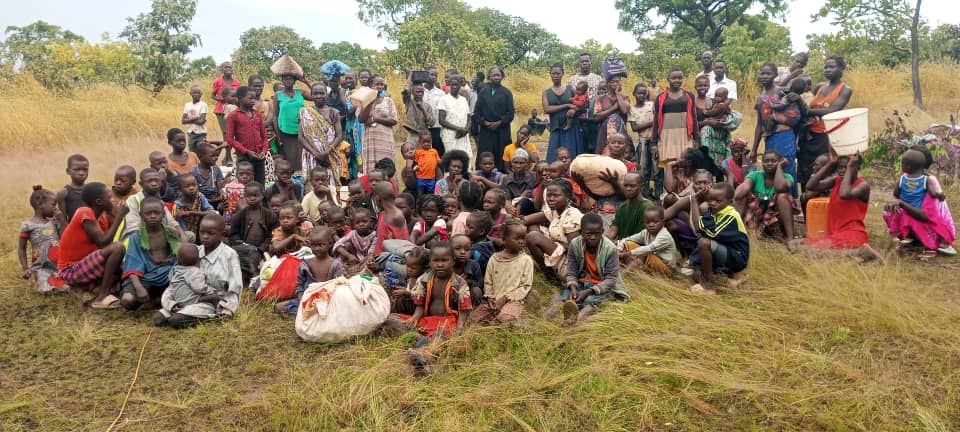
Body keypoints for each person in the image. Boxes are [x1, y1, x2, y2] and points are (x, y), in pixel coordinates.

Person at [155, 214, 242, 329]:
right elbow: (176, 279)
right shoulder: (193, 252)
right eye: (202, 232)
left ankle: (203, 315)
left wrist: (227, 309)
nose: (205, 236)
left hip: (211, 302)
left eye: (210, 233)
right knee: (158, 318)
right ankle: (180, 310)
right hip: (185, 297)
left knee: (176, 321)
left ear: (222, 234)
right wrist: (171, 303)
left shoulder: (229, 255)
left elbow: (235, 287)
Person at [791, 153, 883, 262]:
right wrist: (830, 164)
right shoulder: (837, 180)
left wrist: (850, 168)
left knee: (811, 252)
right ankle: (857, 254)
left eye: (846, 167)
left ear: (857, 167)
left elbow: (844, 194)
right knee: (793, 244)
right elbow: (810, 186)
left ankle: (859, 253)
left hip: (853, 234)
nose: (842, 170)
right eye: (840, 167)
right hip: (835, 234)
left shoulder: (863, 186)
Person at [57, 182, 128, 309]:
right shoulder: (84, 212)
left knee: (123, 263)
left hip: (84, 266)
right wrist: (119, 216)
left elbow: (104, 249)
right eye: (110, 197)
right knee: (118, 248)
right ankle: (101, 297)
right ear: (99, 201)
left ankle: (91, 289)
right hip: (71, 270)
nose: (113, 200)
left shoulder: (101, 219)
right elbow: (103, 242)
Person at [556, 213, 630, 324]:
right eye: (588, 234)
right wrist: (573, 288)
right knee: (564, 296)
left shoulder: (610, 249)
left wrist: (589, 291)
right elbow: (572, 271)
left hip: (603, 286)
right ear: (581, 233)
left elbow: (611, 279)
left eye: (597, 234)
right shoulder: (575, 244)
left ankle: (575, 321)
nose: (593, 237)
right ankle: (552, 315)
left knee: (590, 301)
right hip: (583, 281)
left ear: (602, 232)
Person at [883, 148, 957, 257]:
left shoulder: (929, 181)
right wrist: (892, 205)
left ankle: (931, 242)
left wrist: (902, 204)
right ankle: (911, 238)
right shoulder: (905, 178)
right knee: (890, 212)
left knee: (905, 216)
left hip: (932, 224)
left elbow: (925, 216)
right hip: (914, 212)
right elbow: (897, 195)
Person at [799, 55, 853, 189]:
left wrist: (807, 112)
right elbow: (807, 104)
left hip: (828, 137)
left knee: (824, 170)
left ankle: (822, 204)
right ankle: (807, 204)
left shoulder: (845, 89)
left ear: (841, 69)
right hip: (810, 135)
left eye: (832, 67)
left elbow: (832, 110)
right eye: (826, 67)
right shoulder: (820, 87)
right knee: (806, 171)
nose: (827, 70)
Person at [118, 197, 179, 311]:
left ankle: (158, 298)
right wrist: (139, 287)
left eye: (156, 213)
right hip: (145, 278)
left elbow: (179, 258)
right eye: (148, 213)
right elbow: (132, 264)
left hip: (168, 275)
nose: (152, 216)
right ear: (141, 215)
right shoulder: (136, 237)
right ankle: (156, 297)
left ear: (163, 214)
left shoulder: (171, 233)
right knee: (127, 300)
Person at [689, 183, 749, 294]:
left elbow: (710, 233)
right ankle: (735, 277)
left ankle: (709, 286)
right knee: (696, 274)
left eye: (718, 201)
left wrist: (701, 208)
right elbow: (701, 229)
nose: (712, 203)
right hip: (726, 252)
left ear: (730, 202)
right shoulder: (716, 213)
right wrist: (694, 201)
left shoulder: (731, 216)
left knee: (704, 243)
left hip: (737, 258)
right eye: (710, 200)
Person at [753, 63, 803, 196]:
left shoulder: (784, 92)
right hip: (769, 139)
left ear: (775, 75)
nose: (764, 76)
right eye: (762, 73)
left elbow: (795, 115)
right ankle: (774, 203)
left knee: (786, 167)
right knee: (771, 169)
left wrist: (777, 118)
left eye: (768, 73)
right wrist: (754, 149)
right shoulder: (760, 97)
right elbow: (759, 125)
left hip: (784, 136)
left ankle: (791, 202)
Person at [472, 220, 533, 325]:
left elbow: (525, 285)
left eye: (523, 238)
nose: (521, 241)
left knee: (505, 319)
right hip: (494, 300)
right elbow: (488, 281)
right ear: (504, 239)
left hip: (514, 300)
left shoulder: (526, 260)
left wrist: (505, 298)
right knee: (474, 319)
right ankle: (492, 321)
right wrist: (490, 297)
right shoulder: (494, 259)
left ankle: (503, 320)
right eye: (517, 238)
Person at [524, 179, 583, 283]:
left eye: (556, 196)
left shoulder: (572, 215)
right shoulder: (555, 211)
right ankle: (547, 267)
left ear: (568, 196)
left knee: (533, 236)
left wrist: (554, 243)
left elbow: (574, 250)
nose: (550, 199)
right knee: (532, 226)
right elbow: (526, 220)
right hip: (557, 252)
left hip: (568, 265)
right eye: (549, 195)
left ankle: (549, 274)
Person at [276, 227, 345, 315]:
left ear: (330, 244)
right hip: (308, 300)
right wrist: (302, 299)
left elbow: (338, 287)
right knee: (279, 307)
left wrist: (325, 300)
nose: (316, 248)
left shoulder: (336, 265)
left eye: (320, 245)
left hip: (329, 300)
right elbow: (299, 285)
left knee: (337, 309)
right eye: (313, 245)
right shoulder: (305, 264)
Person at [735, 150, 797, 242]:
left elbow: (780, 188)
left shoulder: (787, 177)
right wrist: (748, 184)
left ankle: (790, 239)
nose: (769, 164)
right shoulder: (755, 175)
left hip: (774, 219)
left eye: (774, 161)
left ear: (780, 161)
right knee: (742, 197)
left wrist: (779, 167)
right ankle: (736, 232)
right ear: (762, 163)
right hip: (755, 217)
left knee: (782, 196)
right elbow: (737, 195)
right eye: (766, 161)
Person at [19, 186, 64, 293]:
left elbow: (63, 238)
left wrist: (61, 221)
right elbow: (21, 249)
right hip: (41, 268)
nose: (56, 208)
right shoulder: (28, 225)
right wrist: (26, 269)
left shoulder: (54, 222)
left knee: (67, 286)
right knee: (46, 289)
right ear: (40, 205)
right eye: (53, 205)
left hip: (59, 266)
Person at [298, 83, 343, 189]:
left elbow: (339, 135)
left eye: (322, 93)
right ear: (311, 95)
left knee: (330, 184)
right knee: (313, 184)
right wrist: (315, 154)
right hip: (311, 155)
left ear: (326, 95)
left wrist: (326, 152)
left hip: (330, 155)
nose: (319, 96)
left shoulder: (333, 112)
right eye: (315, 93)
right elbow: (300, 137)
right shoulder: (304, 112)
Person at [652, 68, 700, 166]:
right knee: (670, 166)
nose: (677, 80)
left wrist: (697, 139)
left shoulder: (689, 96)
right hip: (667, 136)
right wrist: (654, 144)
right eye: (674, 78)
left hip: (685, 136)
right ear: (668, 79)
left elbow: (694, 119)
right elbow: (656, 121)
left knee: (686, 165)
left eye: (680, 78)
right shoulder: (660, 97)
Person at [273, 73, 315, 175]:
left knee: (302, 158)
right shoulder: (278, 95)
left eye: (291, 79)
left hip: (301, 131)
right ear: (282, 80)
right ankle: (291, 181)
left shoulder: (300, 92)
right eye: (286, 79)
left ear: (295, 81)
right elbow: (275, 115)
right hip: (285, 131)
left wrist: (305, 81)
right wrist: (278, 135)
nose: (288, 81)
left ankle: (302, 180)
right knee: (289, 159)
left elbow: (317, 95)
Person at [474, 66, 515, 171]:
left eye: (498, 75)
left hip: (502, 131)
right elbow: (477, 112)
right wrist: (484, 122)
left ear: (502, 76)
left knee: (501, 155)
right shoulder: (483, 92)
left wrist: (499, 122)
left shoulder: (507, 93)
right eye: (494, 75)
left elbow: (510, 113)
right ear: (489, 77)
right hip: (486, 131)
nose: (496, 77)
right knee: (485, 155)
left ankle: (502, 180)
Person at [226, 86, 270, 184]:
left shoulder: (257, 114)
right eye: (250, 98)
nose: (253, 101)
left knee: (260, 182)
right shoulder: (233, 116)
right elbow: (229, 138)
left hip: (259, 155)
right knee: (244, 182)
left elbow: (264, 136)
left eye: (254, 98)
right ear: (240, 98)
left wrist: (264, 150)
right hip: (244, 157)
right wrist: (246, 151)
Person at [618, 205, 678, 274]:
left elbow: (648, 249)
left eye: (655, 222)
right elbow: (626, 239)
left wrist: (626, 254)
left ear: (663, 222)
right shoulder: (645, 233)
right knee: (628, 243)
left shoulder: (665, 236)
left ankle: (625, 273)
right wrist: (618, 250)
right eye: (648, 222)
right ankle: (622, 267)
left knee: (644, 253)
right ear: (644, 223)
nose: (651, 225)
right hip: (653, 260)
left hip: (666, 268)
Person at [543, 63, 585, 162]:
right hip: (555, 127)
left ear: (563, 74)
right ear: (550, 74)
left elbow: (581, 105)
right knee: (554, 156)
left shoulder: (571, 89)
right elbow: (546, 109)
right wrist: (566, 105)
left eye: (558, 73)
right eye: (553, 73)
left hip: (570, 127)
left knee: (571, 154)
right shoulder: (546, 92)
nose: (556, 76)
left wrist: (573, 110)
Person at [359, 76, 399, 174]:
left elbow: (394, 120)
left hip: (385, 140)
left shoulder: (388, 100)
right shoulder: (364, 101)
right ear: (370, 86)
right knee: (372, 168)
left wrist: (375, 119)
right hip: (370, 140)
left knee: (386, 167)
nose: (379, 87)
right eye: (377, 84)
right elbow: (361, 119)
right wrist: (370, 102)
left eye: (381, 84)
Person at [629, 83, 658, 198]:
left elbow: (659, 119)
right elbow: (634, 128)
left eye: (644, 93)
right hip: (642, 142)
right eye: (639, 93)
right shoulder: (632, 109)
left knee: (657, 169)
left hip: (655, 141)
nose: (642, 95)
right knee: (644, 169)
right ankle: (645, 194)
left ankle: (658, 194)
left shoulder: (651, 105)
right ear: (634, 94)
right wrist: (652, 122)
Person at [605, 172, 652, 240]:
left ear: (641, 186)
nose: (628, 189)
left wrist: (618, 243)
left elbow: (641, 237)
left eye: (632, 186)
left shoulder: (647, 207)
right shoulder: (622, 207)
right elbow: (613, 231)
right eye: (625, 185)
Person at [438, 74, 472, 167]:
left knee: (466, 158)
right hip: (450, 135)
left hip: (463, 135)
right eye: (452, 84)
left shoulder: (463, 100)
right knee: (452, 160)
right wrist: (458, 129)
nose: (454, 87)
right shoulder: (444, 99)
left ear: (461, 85)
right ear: (449, 85)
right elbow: (441, 120)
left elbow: (469, 118)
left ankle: (465, 180)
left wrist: (465, 130)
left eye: (457, 84)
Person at [595, 75, 632, 156]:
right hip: (604, 133)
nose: (616, 84)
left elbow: (625, 110)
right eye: (613, 82)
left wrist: (617, 94)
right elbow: (596, 117)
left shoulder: (625, 97)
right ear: (607, 84)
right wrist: (613, 108)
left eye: (618, 81)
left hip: (621, 132)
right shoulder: (601, 99)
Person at [333, 206, 377, 275]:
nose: (361, 224)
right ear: (353, 225)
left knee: (371, 257)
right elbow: (337, 244)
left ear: (371, 223)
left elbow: (371, 253)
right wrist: (349, 255)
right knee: (347, 245)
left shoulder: (374, 235)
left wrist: (364, 262)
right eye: (357, 223)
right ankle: (339, 267)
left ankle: (358, 271)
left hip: (368, 259)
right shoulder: (353, 233)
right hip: (355, 258)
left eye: (364, 221)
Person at [699, 87, 735, 166]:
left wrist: (706, 112)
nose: (716, 98)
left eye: (719, 96)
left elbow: (713, 112)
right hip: (717, 125)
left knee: (704, 126)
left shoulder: (721, 105)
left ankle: (705, 145)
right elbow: (728, 111)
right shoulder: (721, 105)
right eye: (715, 96)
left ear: (725, 98)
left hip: (715, 121)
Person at [372, 182, 409, 255]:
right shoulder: (382, 214)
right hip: (378, 257)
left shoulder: (396, 217)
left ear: (378, 198)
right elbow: (379, 242)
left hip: (390, 260)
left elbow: (402, 246)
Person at [173, 174, 215, 239]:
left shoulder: (199, 197)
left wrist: (191, 213)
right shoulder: (177, 205)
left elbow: (212, 212)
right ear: (180, 189)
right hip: (185, 235)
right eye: (187, 186)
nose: (191, 188)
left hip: (199, 230)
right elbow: (176, 223)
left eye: (194, 185)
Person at [190, 143, 225, 210]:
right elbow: (195, 193)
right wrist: (209, 200)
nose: (216, 158)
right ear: (200, 156)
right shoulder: (194, 171)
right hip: (201, 200)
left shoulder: (215, 169)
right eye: (212, 156)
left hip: (215, 198)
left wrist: (222, 194)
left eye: (217, 155)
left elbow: (219, 188)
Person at [451, 234, 483, 303]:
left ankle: (472, 311)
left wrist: (469, 282)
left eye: (467, 249)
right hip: (449, 293)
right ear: (449, 250)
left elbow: (480, 283)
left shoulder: (473, 265)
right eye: (457, 249)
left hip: (467, 295)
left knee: (477, 291)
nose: (463, 252)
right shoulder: (447, 265)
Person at [57, 154, 89, 224]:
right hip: (73, 230)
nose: (81, 173)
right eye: (76, 170)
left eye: (85, 169)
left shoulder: (91, 190)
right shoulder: (63, 193)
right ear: (68, 171)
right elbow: (63, 219)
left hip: (91, 230)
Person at [212, 62, 240, 140]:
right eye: (226, 67)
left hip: (234, 109)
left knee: (237, 131)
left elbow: (239, 96)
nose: (228, 69)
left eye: (230, 67)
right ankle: (228, 151)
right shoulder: (217, 81)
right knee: (226, 132)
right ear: (222, 69)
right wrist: (224, 99)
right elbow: (213, 96)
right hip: (221, 110)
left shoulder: (237, 82)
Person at [220, 161, 254, 226]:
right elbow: (222, 205)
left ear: (253, 175)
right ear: (236, 175)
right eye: (241, 174)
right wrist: (222, 203)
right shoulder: (230, 187)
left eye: (248, 174)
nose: (245, 176)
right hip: (231, 221)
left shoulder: (255, 188)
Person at [423, 66, 447, 155]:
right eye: (431, 74)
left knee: (438, 152)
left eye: (435, 75)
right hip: (422, 127)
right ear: (425, 75)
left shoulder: (441, 93)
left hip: (437, 127)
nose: (433, 77)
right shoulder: (419, 90)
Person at [401, 80, 432, 147]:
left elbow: (431, 123)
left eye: (422, 92)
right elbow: (406, 91)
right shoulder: (409, 102)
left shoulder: (428, 106)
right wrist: (410, 76)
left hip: (424, 135)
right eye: (417, 92)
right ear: (412, 92)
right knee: (412, 154)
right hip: (412, 135)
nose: (420, 94)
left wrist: (422, 109)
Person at [182, 85, 208, 153]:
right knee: (192, 153)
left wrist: (189, 120)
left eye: (198, 93)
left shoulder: (203, 105)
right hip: (191, 133)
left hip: (201, 133)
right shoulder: (187, 105)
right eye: (194, 92)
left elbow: (202, 121)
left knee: (201, 151)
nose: (196, 94)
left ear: (201, 94)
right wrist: (196, 118)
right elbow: (183, 121)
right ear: (190, 93)